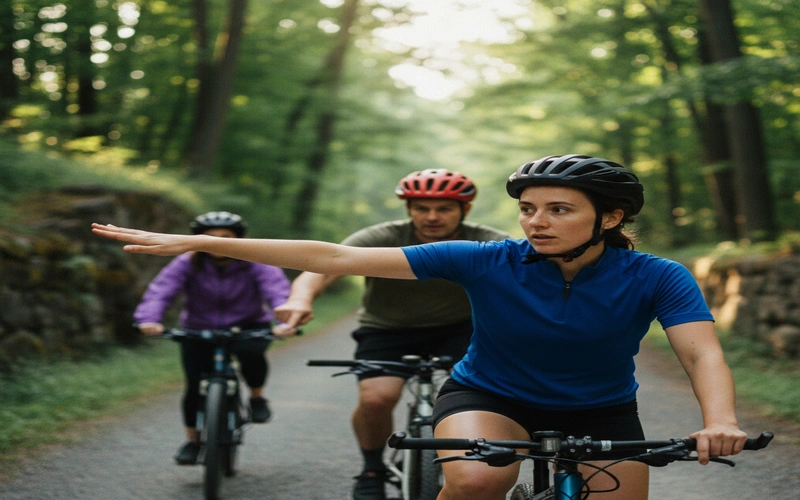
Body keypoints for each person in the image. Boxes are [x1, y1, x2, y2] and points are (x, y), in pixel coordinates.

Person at [93, 154, 748, 499]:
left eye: (558, 209)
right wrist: (200, 242)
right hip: (491, 398)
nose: (535, 221)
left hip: (603, 410)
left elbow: (701, 355)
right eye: (526, 208)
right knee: (476, 480)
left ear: (609, 218)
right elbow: (335, 257)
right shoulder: (487, 259)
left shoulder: (658, 275)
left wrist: (719, 421)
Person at [274, 169, 509, 500]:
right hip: (387, 329)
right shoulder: (382, 236)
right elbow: (324, 266)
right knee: (376, 398)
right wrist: (300, 298)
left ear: (464, 210)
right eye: (421, 209)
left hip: (462, 329)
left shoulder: (486, 238)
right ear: (408, 209)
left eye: (444, 209)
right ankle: (372, 469)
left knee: (477, 399)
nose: (431, 217)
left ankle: (464, 466)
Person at [132, 211, 295, 466]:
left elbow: (277, 291)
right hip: (199, 329)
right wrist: (148, 319)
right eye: (209, 237)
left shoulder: (256, 262)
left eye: (225, 237)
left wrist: (285, 322)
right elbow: (161, 291)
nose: (217, 242)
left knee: (252, 355)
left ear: (238, 239)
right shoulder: (187, 262)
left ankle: (256, 397)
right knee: (194, 386)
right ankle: (193, 440)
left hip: (249, 325)